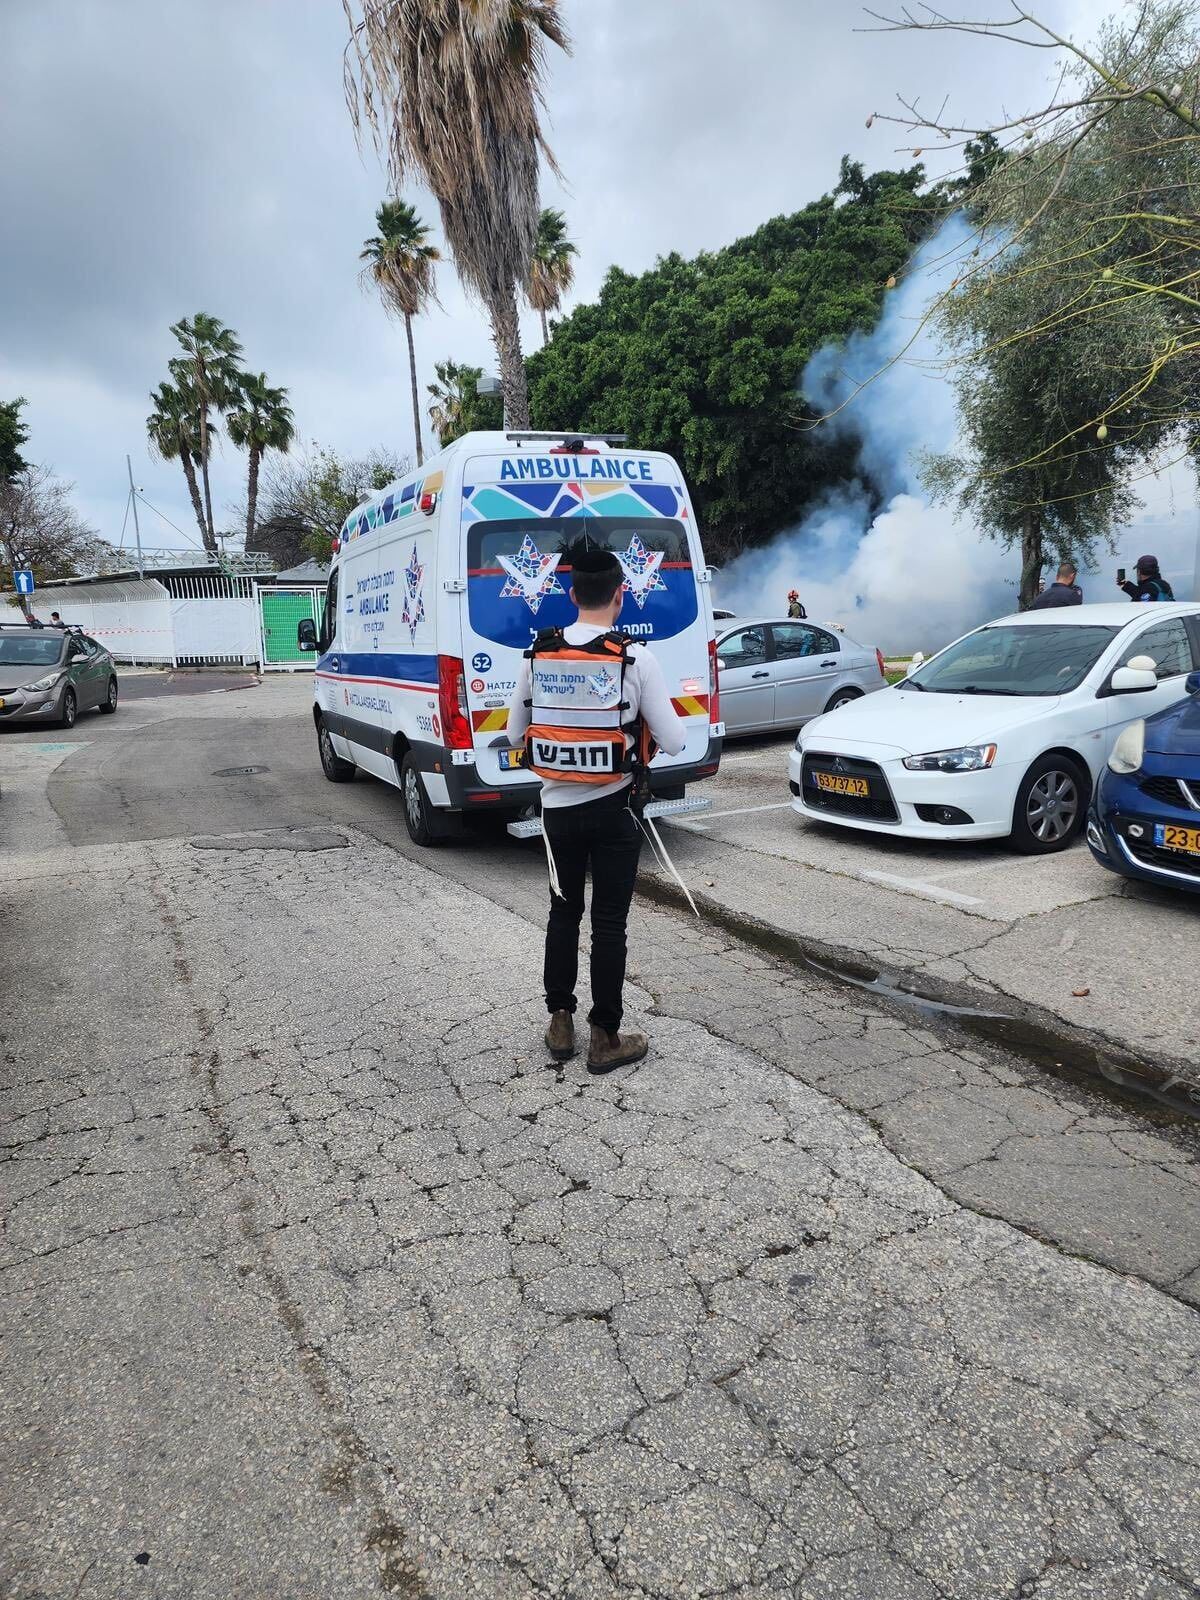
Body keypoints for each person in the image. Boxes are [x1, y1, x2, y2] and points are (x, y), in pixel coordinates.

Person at [507, 544, 685, 1075]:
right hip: (615, 810)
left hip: (556, 812)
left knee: (563, 914)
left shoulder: (538, 652)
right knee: (610, 923)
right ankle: (605, 1037)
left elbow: (515, 735)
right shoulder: (636, 658)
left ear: (570, 594)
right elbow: (674, 741)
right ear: (620, 595)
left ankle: (560, 1022)